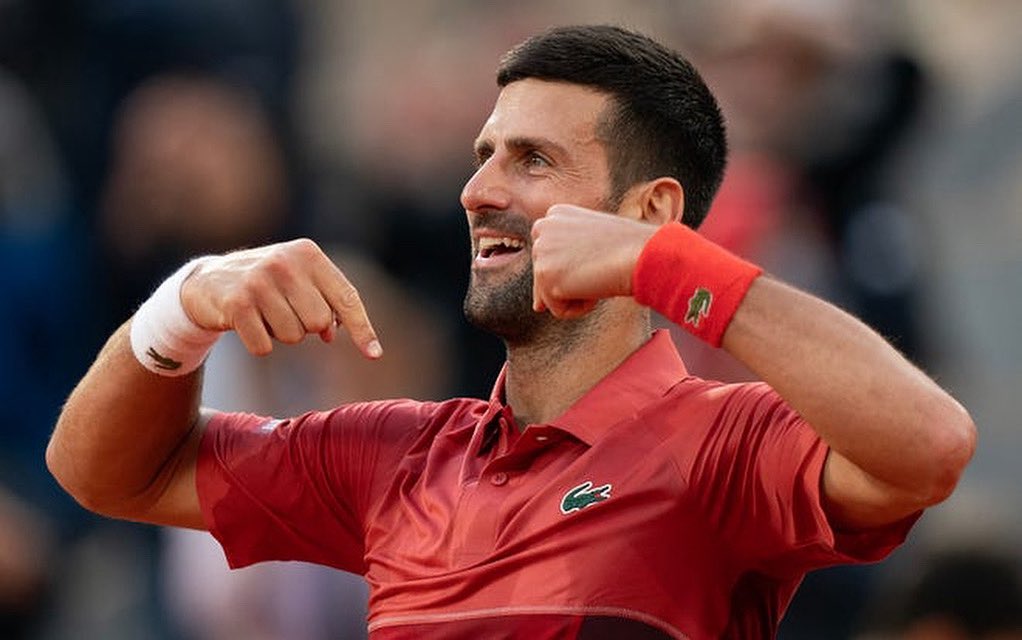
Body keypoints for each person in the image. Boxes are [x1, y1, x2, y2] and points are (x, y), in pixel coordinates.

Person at [46, 25, 976, 639]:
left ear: (650, 210)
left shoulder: (721, 445)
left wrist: (667, 262)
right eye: (483, 155)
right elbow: (108, 473)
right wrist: (183, 305)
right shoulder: (393, 458)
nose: (478, 190)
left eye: (531, 160)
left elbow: (930, 446)